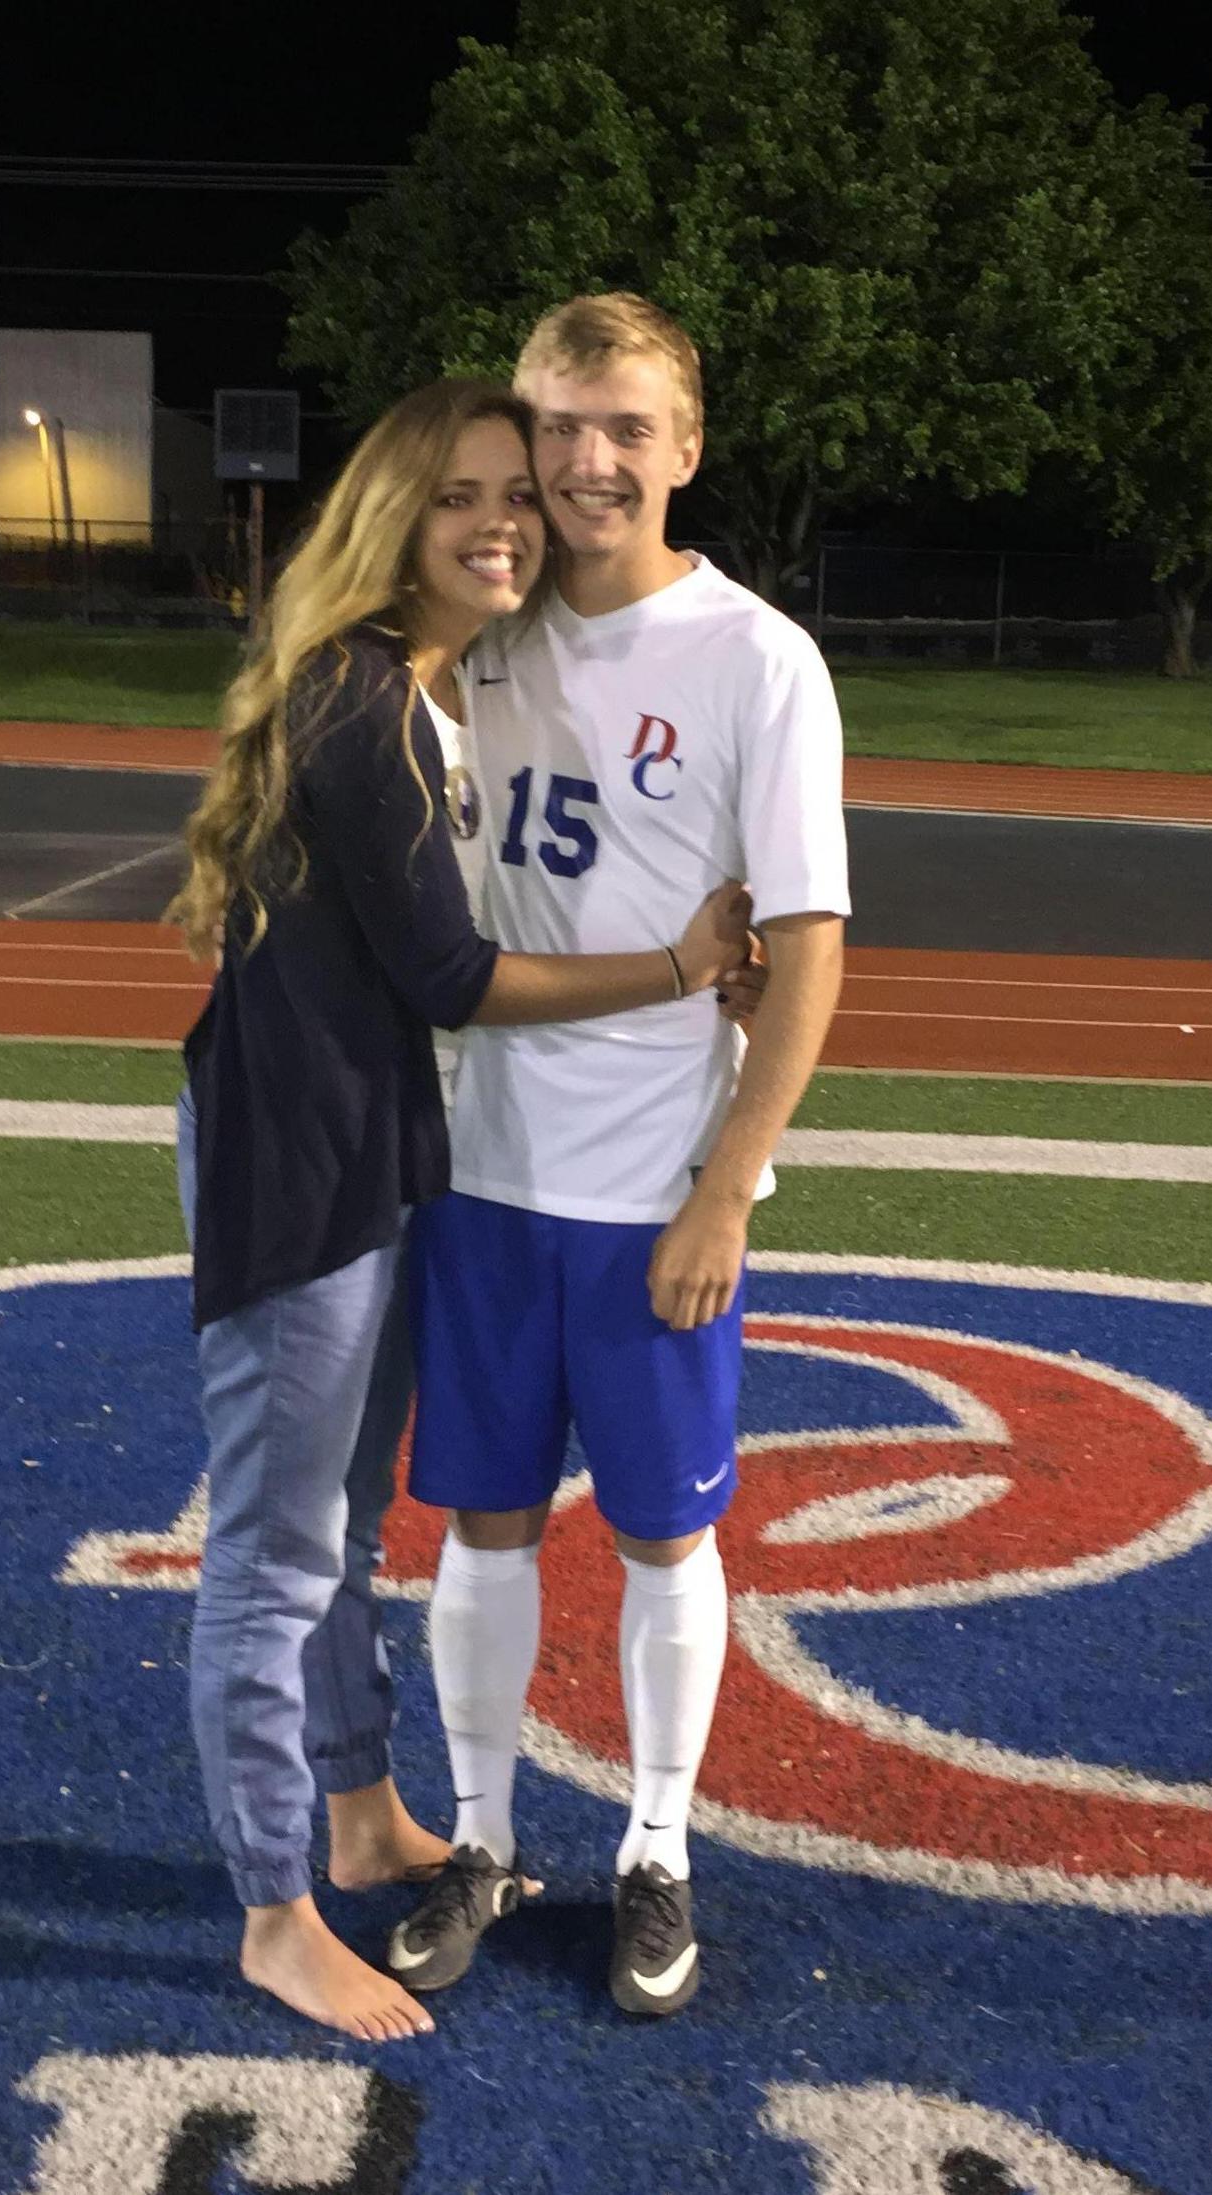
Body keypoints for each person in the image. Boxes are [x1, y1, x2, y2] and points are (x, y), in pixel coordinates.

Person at [167, 376, 751, 2043]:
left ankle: (357, 1810)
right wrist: (677, 966)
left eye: (518, 489)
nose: (504, 518)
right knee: (276, 1559)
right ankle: (275, 1910)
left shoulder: (427, 687)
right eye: (461, 496)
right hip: (304, 1156)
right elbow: (446, 970)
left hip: (361, 1139)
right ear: (390, 522)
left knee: (339, 1531)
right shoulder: (362, 702)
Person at [394, 297, 851, 2016]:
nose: (587, 462)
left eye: (624, 428)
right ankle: (484, 1834)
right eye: (559, 424)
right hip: (483, 1174)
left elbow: (805, 948)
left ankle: (657, 1845)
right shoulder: (471, 635)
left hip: (654, 1190)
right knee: (483, 1525)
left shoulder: (755, 657)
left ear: (687, 446)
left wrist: (727, 1185)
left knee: (665, 1535)